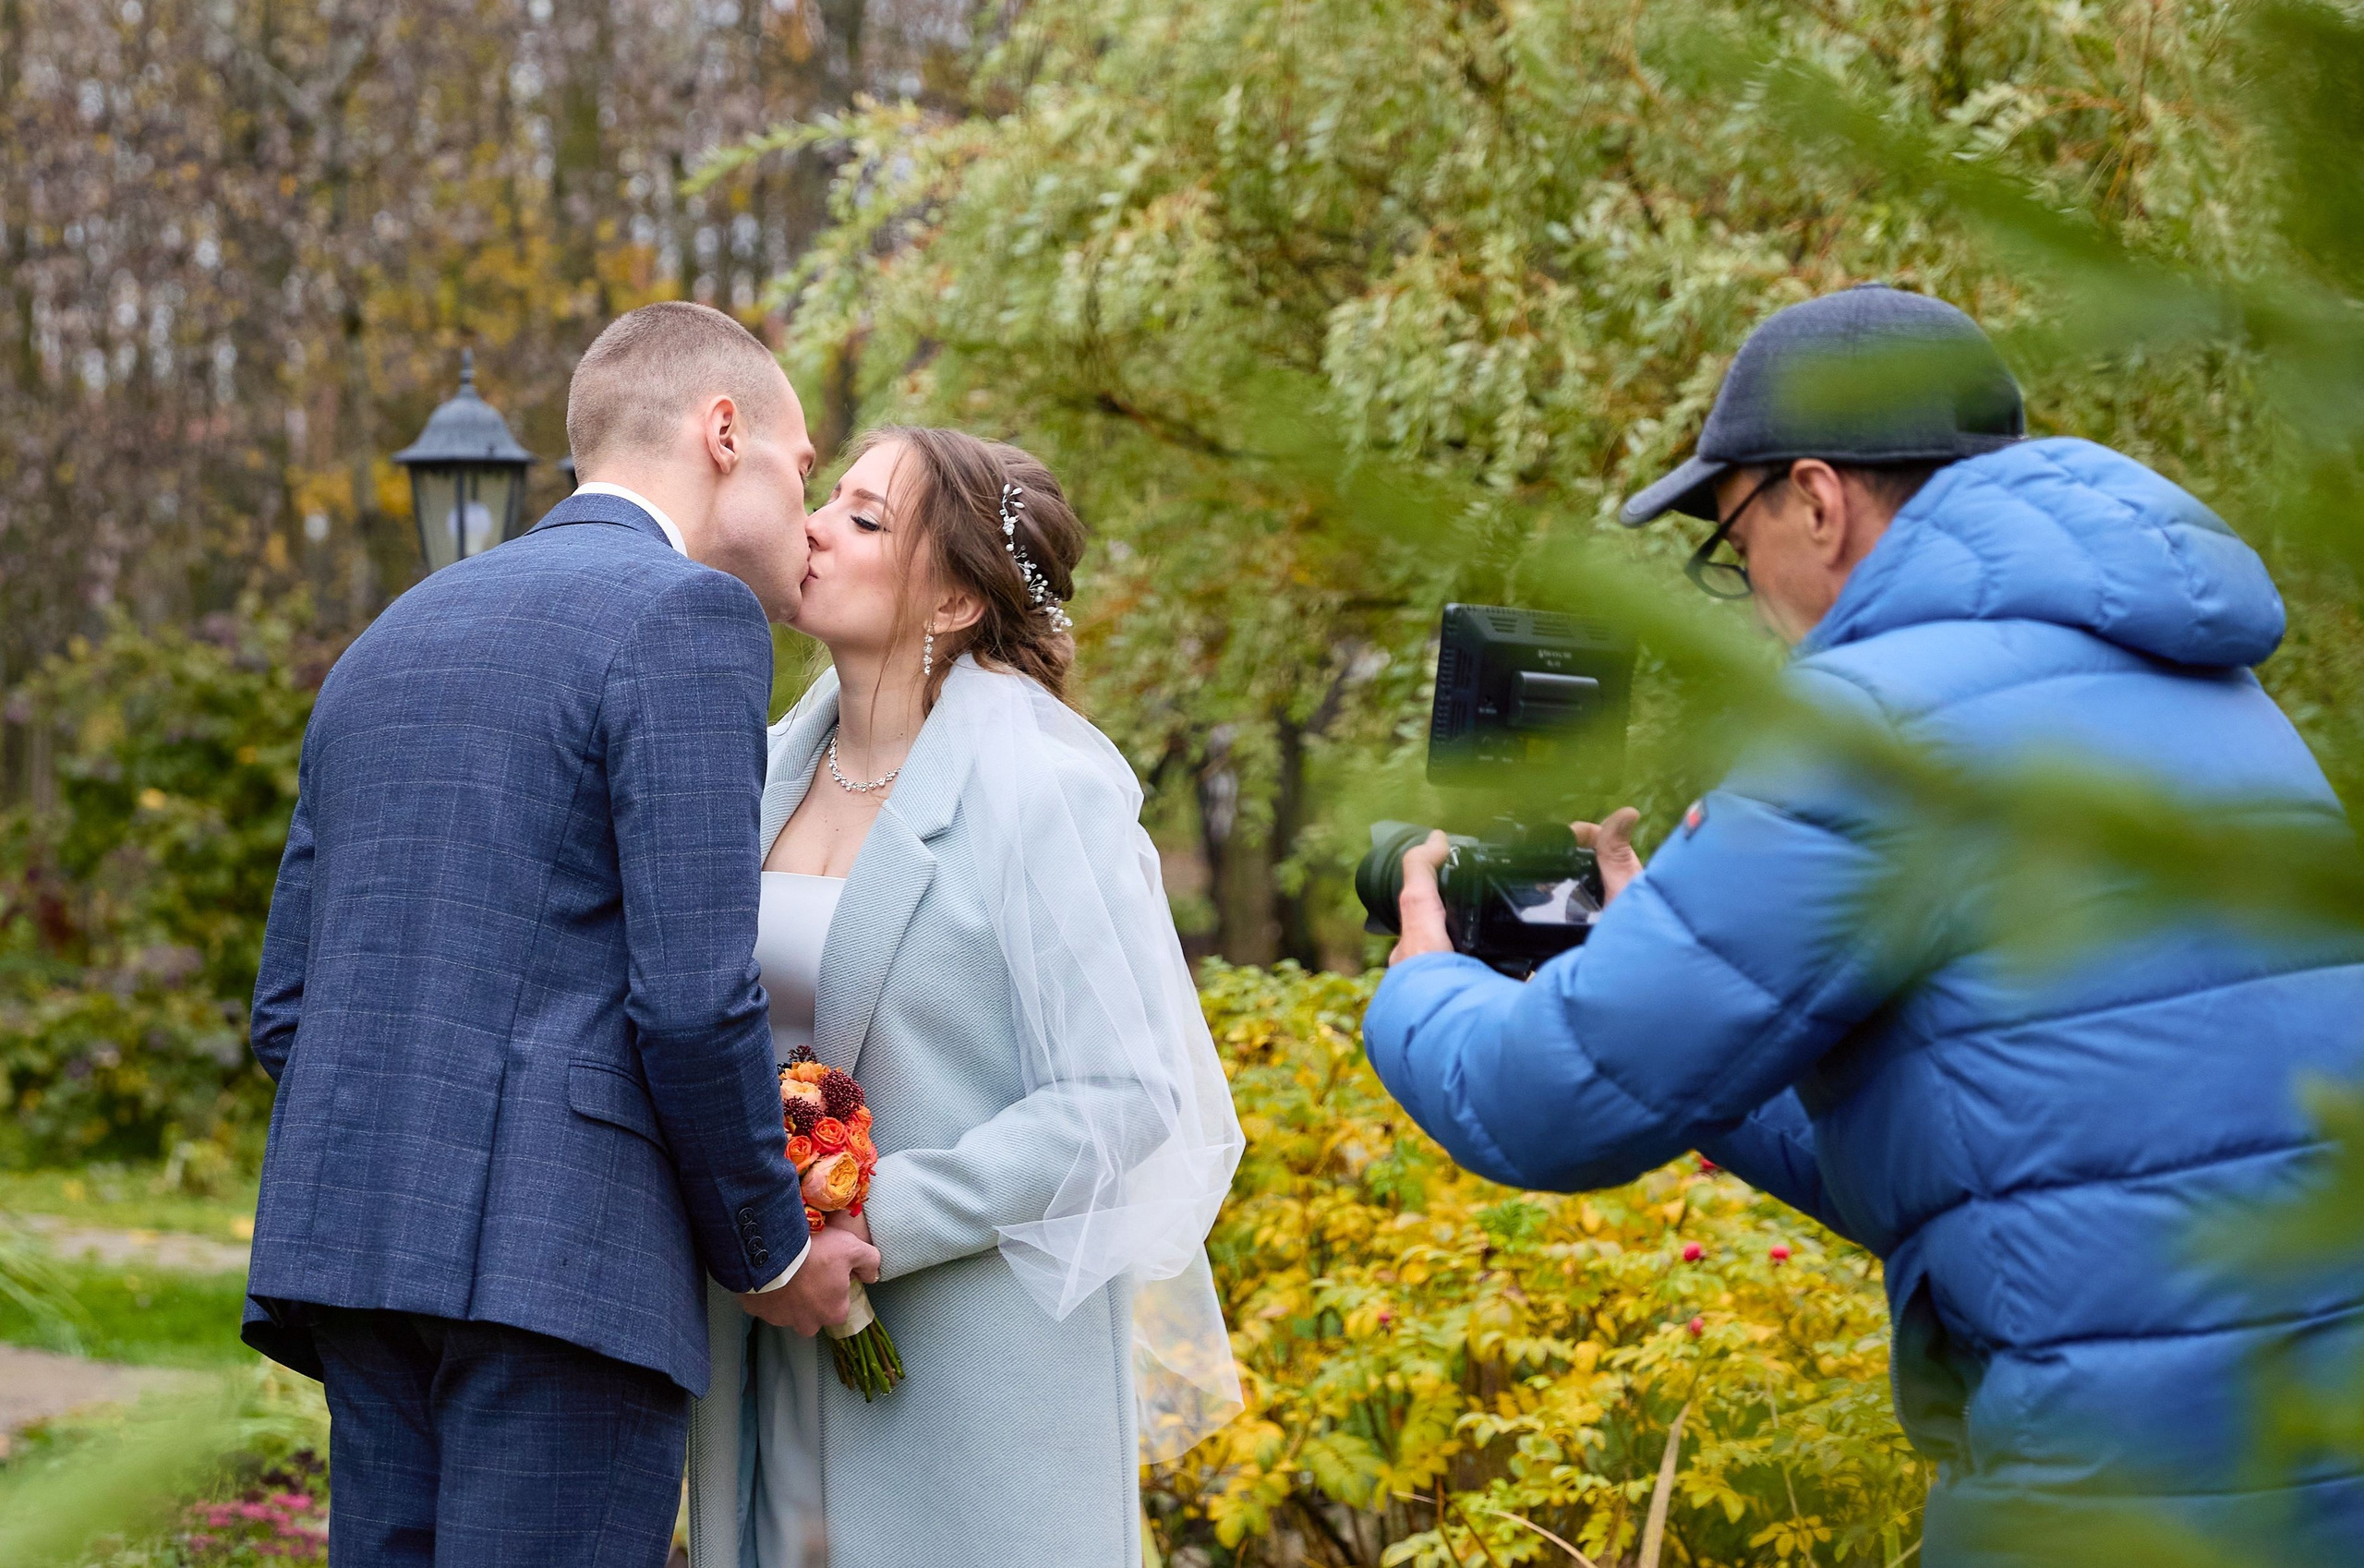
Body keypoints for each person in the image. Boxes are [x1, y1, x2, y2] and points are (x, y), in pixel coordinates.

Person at [1362, 284, 2364, 1562]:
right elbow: (2003, 1147)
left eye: (1731, 543)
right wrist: (1692, 1008)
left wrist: (1421, 974)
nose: (1747, 591)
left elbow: (1550, 1101)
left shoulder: (1875, 727)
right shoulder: (2214, 691)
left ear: (1818, 501)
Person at [244, 302, 881, 1567]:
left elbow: (286, 1011)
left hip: (357, 1253)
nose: (809, 513)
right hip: (564, 1276)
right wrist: (770, 1253)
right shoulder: (689, 618)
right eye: (802, 465)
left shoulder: (389, 638)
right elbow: (693, 999)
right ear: (722, 432)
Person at [683, 427, 1245, 1568]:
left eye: (864, 518)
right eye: (828, 498)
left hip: (969, 1376)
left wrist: (874, 1219)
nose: (812, 528)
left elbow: (1127, 1095)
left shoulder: (1044, 793)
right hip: (764, 1352)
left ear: (951, 602)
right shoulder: (753, 770)